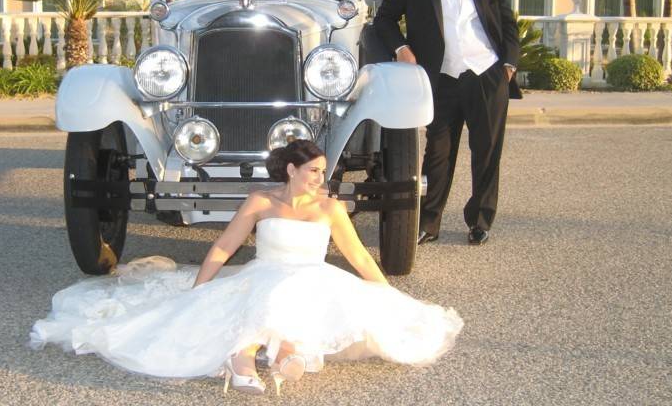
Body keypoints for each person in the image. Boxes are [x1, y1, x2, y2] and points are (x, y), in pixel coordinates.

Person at [29, 140, 463, 395]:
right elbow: (223, 246)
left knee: (300, 295)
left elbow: (360, 257)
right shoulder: (260, 200)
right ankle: (250, 355)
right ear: (291, 170)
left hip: (313, 277)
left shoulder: (331, 208)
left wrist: (385, 291)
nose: (320, 177)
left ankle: (277, 349)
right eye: (312, 170)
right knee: (271, 292)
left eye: (322, 171)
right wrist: (199, 288)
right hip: (265, 272)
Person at [373, 0, 521, 247]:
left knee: (486, 151)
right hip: (440, 78)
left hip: (486, 75)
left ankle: (480, 221)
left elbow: (509, 22)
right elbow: (383, 19)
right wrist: (401, 48)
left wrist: (508, 64)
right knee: (438, 152)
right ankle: (428, 221)